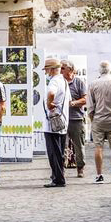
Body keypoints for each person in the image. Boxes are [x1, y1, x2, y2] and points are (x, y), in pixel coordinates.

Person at [88, 61, 111, 184]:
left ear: (100, 70)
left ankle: (99, 175)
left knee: (98, 147)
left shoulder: (93, 84)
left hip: (98, 119)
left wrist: (92, 119)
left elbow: (90, 106)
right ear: (110, 70)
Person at [43, 58, 70, 188]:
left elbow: (51, 92)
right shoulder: (64, 81)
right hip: (62, 121)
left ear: (52, 69)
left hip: (52, 123)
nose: (46, 72)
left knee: (54, 152)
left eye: (47, 69)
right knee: (59, 151)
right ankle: (58, 176)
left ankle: (58, 178)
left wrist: (49, 104)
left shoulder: (54, 81)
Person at [63, 60, 88, 178]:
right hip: (62, 119)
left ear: (70, 70)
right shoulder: (59, 82)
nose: (61, 70)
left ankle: (80, 168)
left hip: (76, 119)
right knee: (62, 145)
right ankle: (61, 169)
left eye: (63, 68)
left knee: (79, 145)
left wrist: (72, 103)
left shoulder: (79, 82)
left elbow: (85, 100)